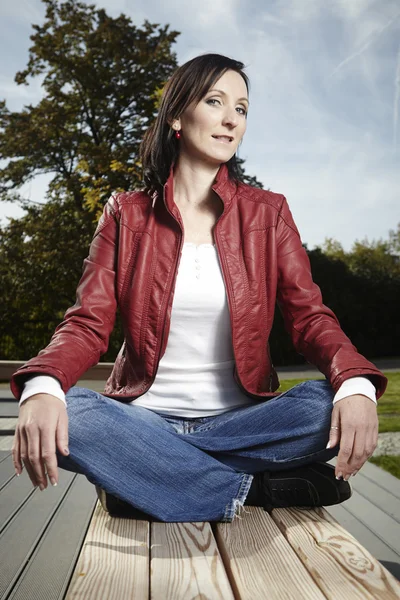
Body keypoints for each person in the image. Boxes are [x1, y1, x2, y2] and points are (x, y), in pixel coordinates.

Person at [10, 53, 387, 523]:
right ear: (176, 115)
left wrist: (353, 383)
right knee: (74, 414)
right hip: (143, 417)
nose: (231, 119)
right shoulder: (125, 214)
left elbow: (309, 317)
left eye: (242, 109)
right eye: (215, 101)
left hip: (245, 422)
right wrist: (44, 385)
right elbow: (88, 323)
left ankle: (147, 479)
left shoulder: (268, 213)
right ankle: (252, 490)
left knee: (321, 407)